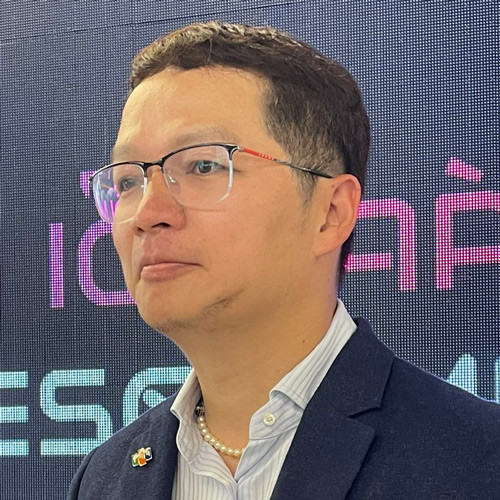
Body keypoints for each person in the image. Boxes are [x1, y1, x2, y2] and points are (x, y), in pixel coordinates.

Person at [68, 21, 500, 499]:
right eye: (129, 181)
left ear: (330, 213)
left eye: (203, 166)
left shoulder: (477, 460)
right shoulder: (103, 478)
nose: (148, 214)